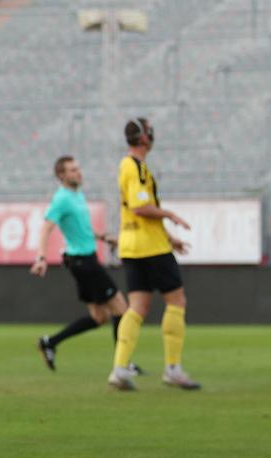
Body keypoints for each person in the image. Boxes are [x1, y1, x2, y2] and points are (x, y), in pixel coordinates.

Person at [108, 118, 200, 391]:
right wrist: (170, 215)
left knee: (138, 306)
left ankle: (120, 368)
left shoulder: (135, 166)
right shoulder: (132, 166)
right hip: (149, 246)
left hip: (134, 245)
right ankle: (172, 368)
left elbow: (142, 210)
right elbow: (140, 207)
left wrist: (170, 238)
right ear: (144, 137)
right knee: (177, 300)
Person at [30, 156, 140, 373]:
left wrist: (103, 237)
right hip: (83, 263)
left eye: (78, 168)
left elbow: (80, 228)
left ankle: (50, 342)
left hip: (83, 260)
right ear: (61, 175)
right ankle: (123, 364)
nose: (78, 173)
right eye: (72, 170)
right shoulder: (62, 199)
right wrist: (41, 257)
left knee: (99, 317)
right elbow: (45, 228)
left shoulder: (77, 194)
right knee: (121, 308)